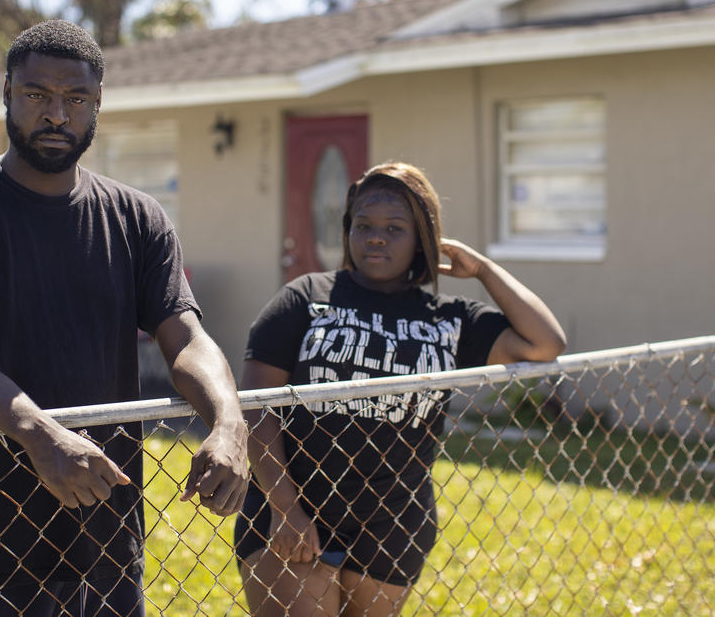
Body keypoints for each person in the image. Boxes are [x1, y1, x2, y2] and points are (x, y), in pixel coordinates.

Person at [0, 19, 248, 617]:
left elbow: (185, 337)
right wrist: (41, 435)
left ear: (97, 104)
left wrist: (229, 424)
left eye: (75, 99)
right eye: (37, 95)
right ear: (7, 93)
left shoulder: (137, 218)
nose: (57, 115)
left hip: (102, 545)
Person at [233, 161, 565, 616]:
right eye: (364, 225)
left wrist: (484, 269)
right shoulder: (305, 298)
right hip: (298, 506)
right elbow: (255, 407)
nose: (376, 237)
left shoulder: (449, 318)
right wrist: (285, 506)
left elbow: (545, 342)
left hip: (395, 522)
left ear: (422, 239)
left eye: (395, 227)